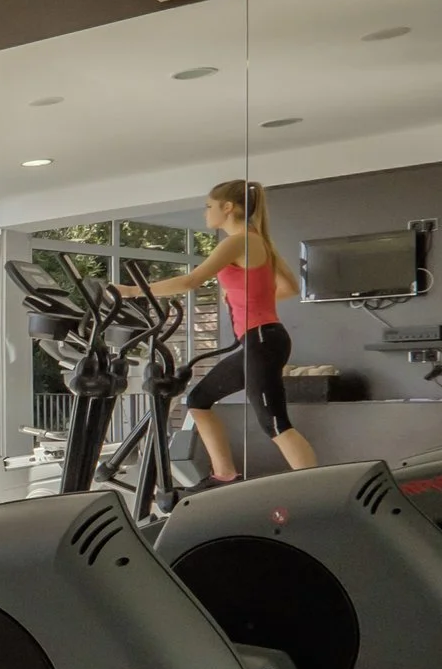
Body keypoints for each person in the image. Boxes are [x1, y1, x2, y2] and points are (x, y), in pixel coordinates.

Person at [117, 179, 320, 483]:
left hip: (262, 339)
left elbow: (191, 281)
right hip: (262, 339)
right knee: (198, 400)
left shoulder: (238, 241)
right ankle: (224, 475)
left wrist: (132, 290)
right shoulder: (259, 240)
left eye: (209, 206)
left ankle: (321, 488)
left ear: (227, 207)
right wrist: (247, 299)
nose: (206, 213)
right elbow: (289, 287)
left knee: (275, 424)